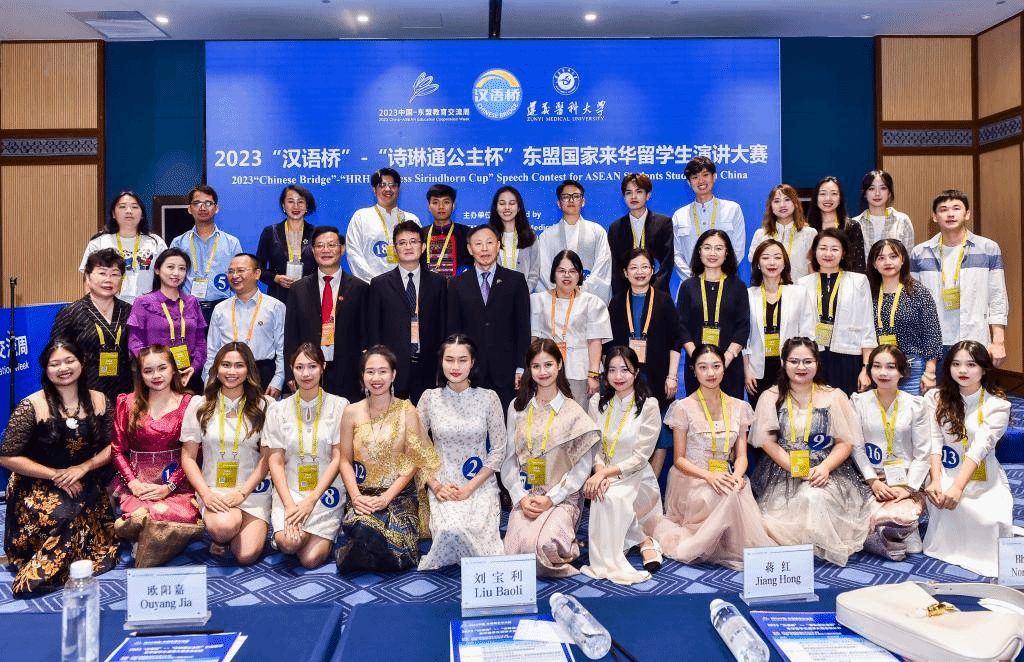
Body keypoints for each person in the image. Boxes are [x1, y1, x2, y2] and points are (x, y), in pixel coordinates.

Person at [0, 338, 118, 596]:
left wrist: (85, 467)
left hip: (84, 478)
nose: (63, 368)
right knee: (61, 515)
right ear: (46, 369)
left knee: (78, 509)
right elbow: (6, 457)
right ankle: (40, 569)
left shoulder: (100, 400)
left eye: (69, 361)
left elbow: (115, 446)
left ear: (81, 363)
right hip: (37, 481)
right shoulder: (31, 405)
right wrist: (56, 475)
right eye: (55, 364)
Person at [749, 337, 873, 566]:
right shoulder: (770, 397)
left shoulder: (834, 396)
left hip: (826, 470)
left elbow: (845, 443)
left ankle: (817, 546)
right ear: (784, 362)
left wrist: (824, 468)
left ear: (817, 363)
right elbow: (767, 442)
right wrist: (797, 469)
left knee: (813, 497)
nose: (801, 367)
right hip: (784, 470)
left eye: (808, 361)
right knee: (768, 524)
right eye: (794, 361)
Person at [652, 345, 773, 570]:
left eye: (716, 366)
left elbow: (741, 456)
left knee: (733, 491)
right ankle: (709, 543)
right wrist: (708, 476)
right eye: (703, 367)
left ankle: (726, 543)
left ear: (724, 369)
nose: (711, 373)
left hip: (726, 477)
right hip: (692, 477)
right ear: (693, 371)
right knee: (723, 496)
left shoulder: (740, 407)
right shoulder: (683, 407)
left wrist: (737, 475)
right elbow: (679, 459)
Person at [500, 338, 601, 577]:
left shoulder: (573, 410)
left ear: (559, 365)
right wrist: (519, 497)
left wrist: (552, 498)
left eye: (548, 365)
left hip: (562, 497)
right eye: (536, 366)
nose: (543, 372)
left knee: (544, 547)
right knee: (514, 551)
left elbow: (582, 467)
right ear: (529, 369)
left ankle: (570, 542)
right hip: (528, 493)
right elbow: (508, 459)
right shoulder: (517, 407)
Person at [335, 346, 440, 573]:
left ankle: (367, 552)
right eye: (370, 372)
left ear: (393, 375)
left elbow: (413, 461)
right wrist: (356, 497)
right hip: (363, 494)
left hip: (399, 496)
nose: (376, 378)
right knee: (363, 525)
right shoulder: (351, 412)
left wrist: (386, 498)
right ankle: (373, 550)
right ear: (362, 376)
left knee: (389, 539)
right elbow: (344, 460)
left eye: (382, 371)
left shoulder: (407, 410)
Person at [923, 341, 1012, 578]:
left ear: (984, 368)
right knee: (944, 507)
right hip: (945, 474)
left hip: (982, 479)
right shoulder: (935, 397)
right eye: (956, 364)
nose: (962, 370)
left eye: (971, 365)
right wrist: (936, 481)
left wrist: (958, 488)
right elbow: (934, 442)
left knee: (991, 523)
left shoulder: (998, 405)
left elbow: (978, 450)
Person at [417, 335, 506, 570]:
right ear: (441, 361)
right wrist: (436, 486)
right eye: (449, 360)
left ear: (472, 362)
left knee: (475, 531)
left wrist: (470, 488)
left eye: (462, 360)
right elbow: (416, 449)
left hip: (479, 484)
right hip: (444, 485)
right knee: (451, 530)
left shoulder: (489, 398)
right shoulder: (429, 398)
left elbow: (498, 450)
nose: (455, 367)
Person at [110, 345, 204, 568]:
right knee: (145, 514)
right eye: (148, 371)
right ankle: (148, 536)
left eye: (162, 368)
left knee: (177, 515)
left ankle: (143, 537)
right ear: (140, 375)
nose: (156, 375)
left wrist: (169, 487)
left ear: (173, 370)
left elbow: (195, 454)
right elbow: (117, 450)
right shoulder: (127, 403)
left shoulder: (189, 404)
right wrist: (133, 483)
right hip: (138, 483)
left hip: (177, 484)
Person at [180, 343, 273, 564]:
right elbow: (188, 458)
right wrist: (206, 495)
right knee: (224, 528)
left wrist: (242, 493)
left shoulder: (265, 405)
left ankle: (231, 533)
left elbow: (267, 458)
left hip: (252, 490)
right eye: (226, 365)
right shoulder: (200, 405)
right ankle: (222, 534)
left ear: (249, 370)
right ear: (216, 369)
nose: (232, 371)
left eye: (239, 365)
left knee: (246, 556)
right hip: (215, 489)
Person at [581, 347, 664, 584]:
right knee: (604, 493)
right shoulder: (597, 402)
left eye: (625, 370)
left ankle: (637, 541)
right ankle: (640, 541)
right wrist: (599, 471)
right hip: (603, 472)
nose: (618, 376)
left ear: (636, 372)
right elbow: (593, 446)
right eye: (612, 370)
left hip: (636, 476)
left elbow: (640, 457)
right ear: (605, 374)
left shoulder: (648, 406)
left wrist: (603, 474)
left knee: (610, 496)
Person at [264, 343, 348, 569]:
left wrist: (311, 501)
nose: (306, 373)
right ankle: (294, 533)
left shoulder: (340, 405)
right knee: (289, 544)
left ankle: (320, 530)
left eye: (312, 366)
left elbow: (338, 458)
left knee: (310, 560)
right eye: (299, 367)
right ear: (291, 370)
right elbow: (275, 461)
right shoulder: (278, 409)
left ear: (323, 367)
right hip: (289, 490)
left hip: (325, 492)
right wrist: (290, 505)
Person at [606, 248, 682, 481]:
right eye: (634, 268)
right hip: (625, 377)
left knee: (659, 434)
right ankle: (628, 480)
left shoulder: (664, 300)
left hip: (658, 376)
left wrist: (672, 376)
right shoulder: (617, 302)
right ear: (625, 272)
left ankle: (652, 483)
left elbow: (675, 341)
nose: (639, 272)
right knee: (629, 429)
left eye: (644, 267)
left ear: (653, 270)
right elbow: (608, 344)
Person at [910, 190, 1008, 369]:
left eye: (956, 208)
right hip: (932, 344)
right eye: (943, 209)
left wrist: (998, 341)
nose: (950, 214)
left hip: (975, 339)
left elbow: (998, 298)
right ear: (934, 217)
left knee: (975, 388)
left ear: (967, 214)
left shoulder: (988, 249)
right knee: (935, 388)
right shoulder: (919, 253)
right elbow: (913, 302)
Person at [850, 345, 930, 560]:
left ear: (902, 371)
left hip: (905, 479)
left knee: (903, 518)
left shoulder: (916, 405)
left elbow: (923, 452)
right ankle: (888, 532)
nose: (883, 373)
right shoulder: (858, 402)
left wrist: (908, 488)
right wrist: (873, 481)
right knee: (859, 518)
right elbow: (856, 447)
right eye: (877, 366)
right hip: (869, 478)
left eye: (891, 367)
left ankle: (904, 529)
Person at [447, 224, 531, 410]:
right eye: (478, 244)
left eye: (489, 243)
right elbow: (453, 331)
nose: (484, 249)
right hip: (470, 372)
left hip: (507, 372)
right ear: (470, 249)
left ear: (498, 245)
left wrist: (521, 367)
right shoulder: (457, 284)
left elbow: (523, 329)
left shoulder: (516, 281)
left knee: (506, 423)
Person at [284, 225, 367, 402]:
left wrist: (365, 371)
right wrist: (290, 372)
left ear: (342, 249)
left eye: (331, 245)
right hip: (309, 370)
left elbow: (366, 335)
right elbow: (291, 334)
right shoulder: (298, 289)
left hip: (349, 372)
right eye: (320, 246)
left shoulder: (360, 288)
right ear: (313, 251)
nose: (325, 250)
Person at [367, 220, 446, 404]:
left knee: (426, 420)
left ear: (423, 247)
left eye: (413, 241)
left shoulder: (438, 282)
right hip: (392, 367)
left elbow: (443, 327)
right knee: (392, 419)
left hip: (428, 366)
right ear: (395, 250)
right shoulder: (379, 284)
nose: (408, 247)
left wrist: (442, 365)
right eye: (402, 243)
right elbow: (374, 330)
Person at [797, 229, 876, 395]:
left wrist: (866, 368)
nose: (828, 254)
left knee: (846, 407)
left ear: (843, 253)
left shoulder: (859, 281)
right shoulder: (802, 284)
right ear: (814, 251)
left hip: (849, 357)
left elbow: (868, 327)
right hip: (813, 357)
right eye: (823, 248)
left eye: (834, 249)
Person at [530, 250, 612, 405]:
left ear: (579, 275)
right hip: (545, 372)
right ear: (553, 274)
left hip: (580, 372)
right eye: (561, 271)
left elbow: (595, 342)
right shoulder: (537, 300)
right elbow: (533, 340)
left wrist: (593, 375)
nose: (567, 275)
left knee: (579, 415)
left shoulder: (592, 303)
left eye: (572, 271)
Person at [676, 230, 749, 399]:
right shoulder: (688, 286)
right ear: (699, 251)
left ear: (727, 252)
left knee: (731, 413)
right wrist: (698, 360)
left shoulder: (738, 286)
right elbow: (682, 327)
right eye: (707, 248)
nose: (713, 253)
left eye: (719, 248)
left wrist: (724, 361)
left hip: (730, 365)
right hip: (696, 367)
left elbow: (743, 327)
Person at [52, 248, 134, 399]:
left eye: (115, 274)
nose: (108, 280)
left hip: (124, 392)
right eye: (102, 273)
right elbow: (56, 354)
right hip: (84, 392)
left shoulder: (129, 311)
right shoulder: (71, 313)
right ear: (88, 277)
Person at [743, 239, 817, 403]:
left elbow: (808, 334)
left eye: (777, 257)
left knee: (791, 414)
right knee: (762, 415)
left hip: (791, 368)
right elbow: (744, 339)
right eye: (765, 257)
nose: (772, 262)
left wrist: (803, 367)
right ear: (757, 264)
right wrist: (746, 371)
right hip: (757, 371)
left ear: (784, 264)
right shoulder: (748, 295)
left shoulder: (799, 293)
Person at [866, 239, 942, 396]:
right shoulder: (869, 293)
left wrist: (930, 372)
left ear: (903, 259)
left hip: (911, 367)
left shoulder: (918, 292)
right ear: (874, 264)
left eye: (893, 256)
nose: (888, 262)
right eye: (881, 258)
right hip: (879, 367)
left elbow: (932, 333)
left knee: (911, 410)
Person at [203, 253, 285, 397]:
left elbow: (282, 348)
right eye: (231, 271)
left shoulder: (275, 307)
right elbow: (212, 351)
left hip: (263, 374)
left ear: (257, 274)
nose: (235, 276)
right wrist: (209, 381)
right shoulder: (220, 309)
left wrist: (278, 380)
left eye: (241, 270)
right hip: (228, 374)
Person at [127, 248, 206, 392]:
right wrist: (152, 368)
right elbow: (135, 341)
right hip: (156, 378)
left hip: (187, 376)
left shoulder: (191, 302)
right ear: (157, 270)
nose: (176, 273)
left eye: (182, 269)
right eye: (170, 267)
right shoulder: (143, 302)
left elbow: (200, 341)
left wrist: (194, 368)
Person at [169, 184, 243, 323]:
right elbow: (170, 279)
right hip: (187, 309)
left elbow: (240, 279)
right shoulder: (178, 243)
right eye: (197, 203)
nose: (203, 208)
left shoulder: (232, 243)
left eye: (208, 203)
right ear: (190, 209)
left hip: (223, 309)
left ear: (216, 208)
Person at [79, 191, 166, 304]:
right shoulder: (99, 242)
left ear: (142, 214)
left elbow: (166, 276)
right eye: (122, 206)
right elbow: (88, 279)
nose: (129, 211)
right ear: (113, 214)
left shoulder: (156, 242)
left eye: (134, 207)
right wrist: (92, 308)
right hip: (108, 305)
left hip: (146, 306)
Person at [535, 180, 612, 302]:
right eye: (566, 197)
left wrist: (581, 291)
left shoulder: (597, 232)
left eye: (576, 196)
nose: (571, 200)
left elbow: (602, 269)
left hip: (589, 302)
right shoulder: (547, 236)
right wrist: (562, 292)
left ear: (583, 201)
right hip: (558, 302)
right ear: (559, 203)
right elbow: (544, 272)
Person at [672, 156, 746, 281]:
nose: (701, 181)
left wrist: (718, 276)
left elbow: (738, 249)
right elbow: (676, 254)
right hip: (690, 284)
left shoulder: (732, 209)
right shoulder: (679, 215)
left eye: (705, 175)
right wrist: (694, 279)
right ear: (689, 182)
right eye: (695, 177)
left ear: (714, 177)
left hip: (724, 283)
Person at [346, 168, 421, 283]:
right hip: (370, 286)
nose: (388, 189)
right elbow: (354, 255)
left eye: (392, 185)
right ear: (374, 190)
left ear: (398, 189)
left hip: (407, 285)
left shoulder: (412, 219)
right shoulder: (361, 217)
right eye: (382, 185)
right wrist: (374, 283)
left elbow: (419, 253)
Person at [608, 173, 673, 297]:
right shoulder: (615, 228)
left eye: (639, 191)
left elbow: (667, 263)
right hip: (626, 294)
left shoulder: (663, 223)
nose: (633, 196)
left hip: (658, 294)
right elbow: (615, 268)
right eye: (628, 192)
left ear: (648, 195)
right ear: (624, 197)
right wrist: (625, 294)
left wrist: (652, 291)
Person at [255, 184, 318, 302]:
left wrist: (309, 280)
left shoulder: (316, 233)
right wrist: (275, 278)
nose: (296, 206)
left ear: (306, 206)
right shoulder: (270, 232)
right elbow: (257, 267)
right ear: (283, 205)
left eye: (300, 202)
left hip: (309, 296)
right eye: (290, 201)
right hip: (278, 295)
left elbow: (324, 267)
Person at [747, 184, 817, 281]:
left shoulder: (809, 234)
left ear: (795, 203)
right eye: (776, 201)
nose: (782, 205)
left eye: (787, 200)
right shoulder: (760, 235)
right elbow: (755, 270)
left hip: (800, 289)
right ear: (770, 206)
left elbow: (813, 271)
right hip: (769, 289)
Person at [851, 170, 915, 272]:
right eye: (871, 188)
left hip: (895, 280)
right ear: (865, 193)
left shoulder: (902, 221)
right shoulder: (854, 224)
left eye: (883, 188)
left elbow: (908, 260)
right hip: (864, 280)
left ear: (889, 193)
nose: (877, 193)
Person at [805, 175, 866, 274]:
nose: (828, 198)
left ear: (840, 198)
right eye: (823, 194)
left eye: (834, 194)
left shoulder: (851, 227)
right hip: (813, 281)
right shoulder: (807, 228)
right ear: (816, 197)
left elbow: (858, 264)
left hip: (846, 281)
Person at [488, 185, 540, 291]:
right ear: (496, 207)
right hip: (494, 296)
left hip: (523, 295)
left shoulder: (530, 236)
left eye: (512, 203)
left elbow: (534, 272)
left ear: (519, 207)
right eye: (502, 203)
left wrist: (522, 293)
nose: (507, 207)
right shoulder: (488, 236)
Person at [422, 184, 472, 280]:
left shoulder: (467, 233)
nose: (441, 207)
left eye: (446, 202)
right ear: (429, 206)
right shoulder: (421, 234)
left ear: (453, 205)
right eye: (435, 202)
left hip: (459, 287)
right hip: (427, 287)